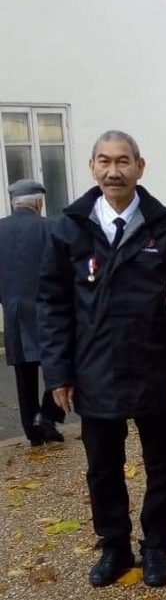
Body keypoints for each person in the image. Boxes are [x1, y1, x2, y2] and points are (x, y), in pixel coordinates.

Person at [37, 131, 166, 588]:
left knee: (161, 463)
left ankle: (157, 546)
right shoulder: (69, 228)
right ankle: (115, 545)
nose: (113, 171)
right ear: (92, 167)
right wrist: (58, 373)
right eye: (104, 161)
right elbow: (53, 304)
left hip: (153, 366)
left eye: (123, 161)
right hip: (94, 369)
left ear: (140, 167)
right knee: (102, 466)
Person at [0, 178, 65, 446]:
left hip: (14, 312)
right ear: (39, 202)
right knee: (59, 362)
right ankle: (47, 416)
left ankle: (33, 432)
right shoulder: (51, 227)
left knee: (24, 374)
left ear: (14, 203)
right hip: (47, 309)